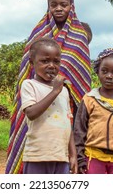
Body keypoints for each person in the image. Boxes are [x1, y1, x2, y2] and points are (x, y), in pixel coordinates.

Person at [6, 0, 91, 174]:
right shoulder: (38, 32)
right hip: (37, 96)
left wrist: (63, 87)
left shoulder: (79, 36)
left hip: (67, 101)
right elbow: (27, 68)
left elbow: (81, 72)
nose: (58, 8)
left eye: (63, 4)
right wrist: (52, 89)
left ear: (72, 6)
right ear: (48, 7)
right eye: (54, 5)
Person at [20, 37, 77, 174]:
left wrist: (73, 154)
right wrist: (55, 91)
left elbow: (67, 123)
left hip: (61, 157)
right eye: (45, 61)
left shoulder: (64, 91)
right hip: (37, 156)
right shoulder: (29, 85)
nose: (51, 65)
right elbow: (31, 113)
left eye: (56, 62)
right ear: (32, 63)